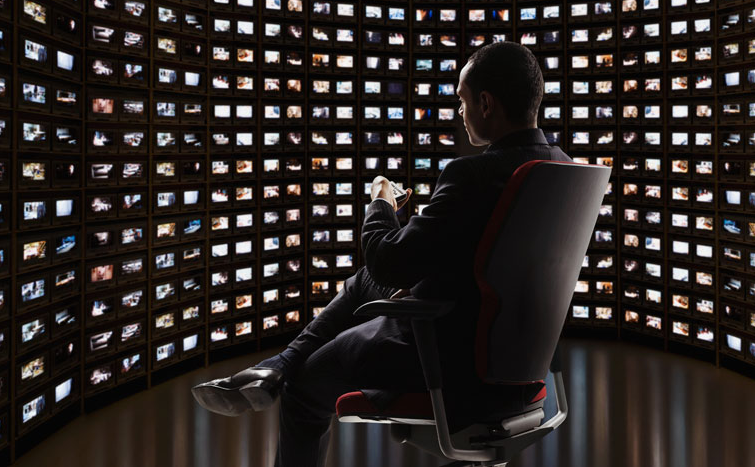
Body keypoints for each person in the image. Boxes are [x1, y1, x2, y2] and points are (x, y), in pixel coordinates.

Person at [191, 40, 574, 467]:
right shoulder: (560, 168)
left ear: (485, 103)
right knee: (362, 284)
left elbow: (387, 260)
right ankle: (278, 363)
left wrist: (381, 203)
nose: (460, 114)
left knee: (304, 388)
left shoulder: (472, 174)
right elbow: (498, 261)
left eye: (462, 102)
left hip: (446, 354)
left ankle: (285, 368)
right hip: (516, 356)